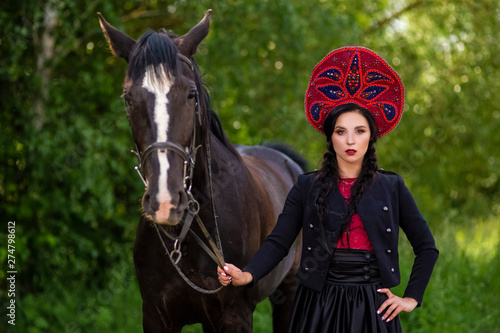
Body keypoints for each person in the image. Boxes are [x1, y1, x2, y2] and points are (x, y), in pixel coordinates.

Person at [217, 46, 439, 332]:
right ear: (330, 137)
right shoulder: (307, 186)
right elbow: (279, 242)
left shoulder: (391, 187)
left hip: (374, 309)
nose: (350, 140)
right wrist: (247, 275)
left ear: (371, 136)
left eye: (360, 131)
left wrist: (411, 297)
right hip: (316, 308)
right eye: (341, 131)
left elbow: (426, 247)